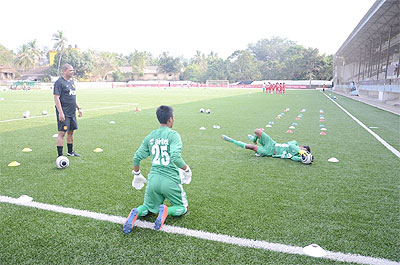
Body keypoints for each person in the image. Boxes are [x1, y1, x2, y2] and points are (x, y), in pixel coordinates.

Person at [123, 105, 192, 233]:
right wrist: (187, 169)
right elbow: (176, 157)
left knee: (147, 208)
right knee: (183, 207)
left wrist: (137, 174)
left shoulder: (151, 136)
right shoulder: (173, 135)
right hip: (170, 180)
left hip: (153, 180)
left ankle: (137, 212)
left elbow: (137, 157)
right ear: (170, 119)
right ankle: (167, 211)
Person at [221, 128, 313, 164]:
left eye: (304, 151)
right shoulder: (295, 143)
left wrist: (303, 158)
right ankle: (254, 139)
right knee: (257, 131)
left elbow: (295, 159)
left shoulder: (295, 156)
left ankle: (231, 140)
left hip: (269, 152)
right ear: (302, 147)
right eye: (303, 149)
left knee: (251, 147)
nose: (302, 150)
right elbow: (290, 145)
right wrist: (299, 151)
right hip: (272, 143)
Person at [53, 64, 82, 157]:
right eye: (70, 70)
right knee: (62, 133)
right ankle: (60, 155)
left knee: (71, 132)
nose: (72, 72)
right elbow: (56, 98)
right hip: (64, 112)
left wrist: (79, 108)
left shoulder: (72, 82)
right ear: (64, 71)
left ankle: (70, 152)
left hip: (72, 112)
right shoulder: (59, 83)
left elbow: (73, 97)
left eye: (73, 70)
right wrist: (60, 113)